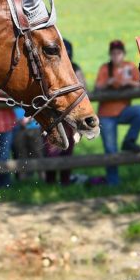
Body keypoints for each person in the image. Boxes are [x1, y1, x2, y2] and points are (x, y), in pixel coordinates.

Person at [94, 39, 140, 185]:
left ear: (123, 54)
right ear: (110, 55)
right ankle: (114, 183)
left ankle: (129, 140)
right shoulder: (105, 68)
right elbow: (97, 88)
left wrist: (129, 83)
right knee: (111, 150)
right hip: (106, 115)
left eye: (119, 53)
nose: (116, 56)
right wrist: (109, 83)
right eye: (113, 53)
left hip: (124, 110)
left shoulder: (130, 66)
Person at [44, 39, 86, 186]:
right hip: (52, 116)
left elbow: (83, 89)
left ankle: (65, 181)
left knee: (68, 148)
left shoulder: (74, 68)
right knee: (52, 150)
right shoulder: (49, 69)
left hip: (70, 116)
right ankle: (50, 182)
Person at [11, 107, 43, 182]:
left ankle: (42, 178)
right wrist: (19, 120)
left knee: (37, 152)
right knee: (20, 153)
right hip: (17, 128)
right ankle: (22, 180)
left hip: (34, 127)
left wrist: (29, 118)